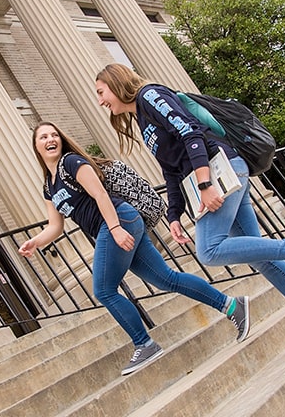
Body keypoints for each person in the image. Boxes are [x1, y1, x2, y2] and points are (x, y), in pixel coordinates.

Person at [95, 63, 285, 352]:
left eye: (101, 92)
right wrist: (174, 214)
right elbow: (170, 170)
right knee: (260, 256)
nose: (100, 101)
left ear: (116, 83)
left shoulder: (150, 95)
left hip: (220, 171)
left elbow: (191, 133)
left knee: (209, 250)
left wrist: (204, 185)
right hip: (217, 174)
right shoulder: (141, 118)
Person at [19, 121, 251, 376]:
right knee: (166, 278)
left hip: (119, 220)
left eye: (54, 134)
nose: (50, 139)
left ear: (61, 140)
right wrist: (36, 242)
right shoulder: (49, 186)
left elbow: (100, 195)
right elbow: (55, 226)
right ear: (36, 146)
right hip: (116, 225)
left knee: (104, 290)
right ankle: (232, 306)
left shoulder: (71, 163)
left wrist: (116, 229)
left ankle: (144, 344)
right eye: (43, 137)